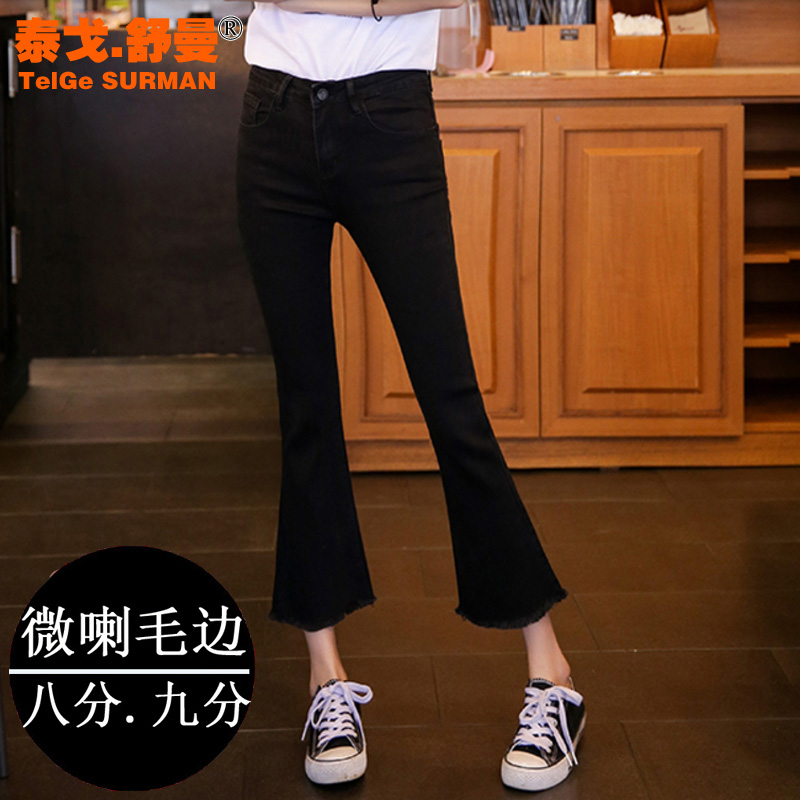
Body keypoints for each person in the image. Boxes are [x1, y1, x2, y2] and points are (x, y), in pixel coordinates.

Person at [234, 0, 586, 792]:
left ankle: (553, 675)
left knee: (451, 400)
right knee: (306, 411)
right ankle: (326, 681)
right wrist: (373, 4)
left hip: (388, 118)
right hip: (273, 117)